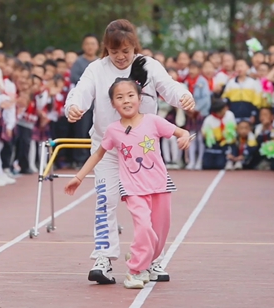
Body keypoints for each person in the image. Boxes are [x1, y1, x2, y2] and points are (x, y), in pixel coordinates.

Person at [64, 19, 195, 285]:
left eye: (126, 51)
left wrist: (182, 95)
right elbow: (80, 92)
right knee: (106, 200)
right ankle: (104, 257)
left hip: (144, 153)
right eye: (114, 53)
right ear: (106, 49)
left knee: (156, 211)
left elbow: (169, 86)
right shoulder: (96, 69)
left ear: (134, 46)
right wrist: (74, 107)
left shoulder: (148, 65)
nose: (121, 57)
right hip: (108, 148)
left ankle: (152, 260)